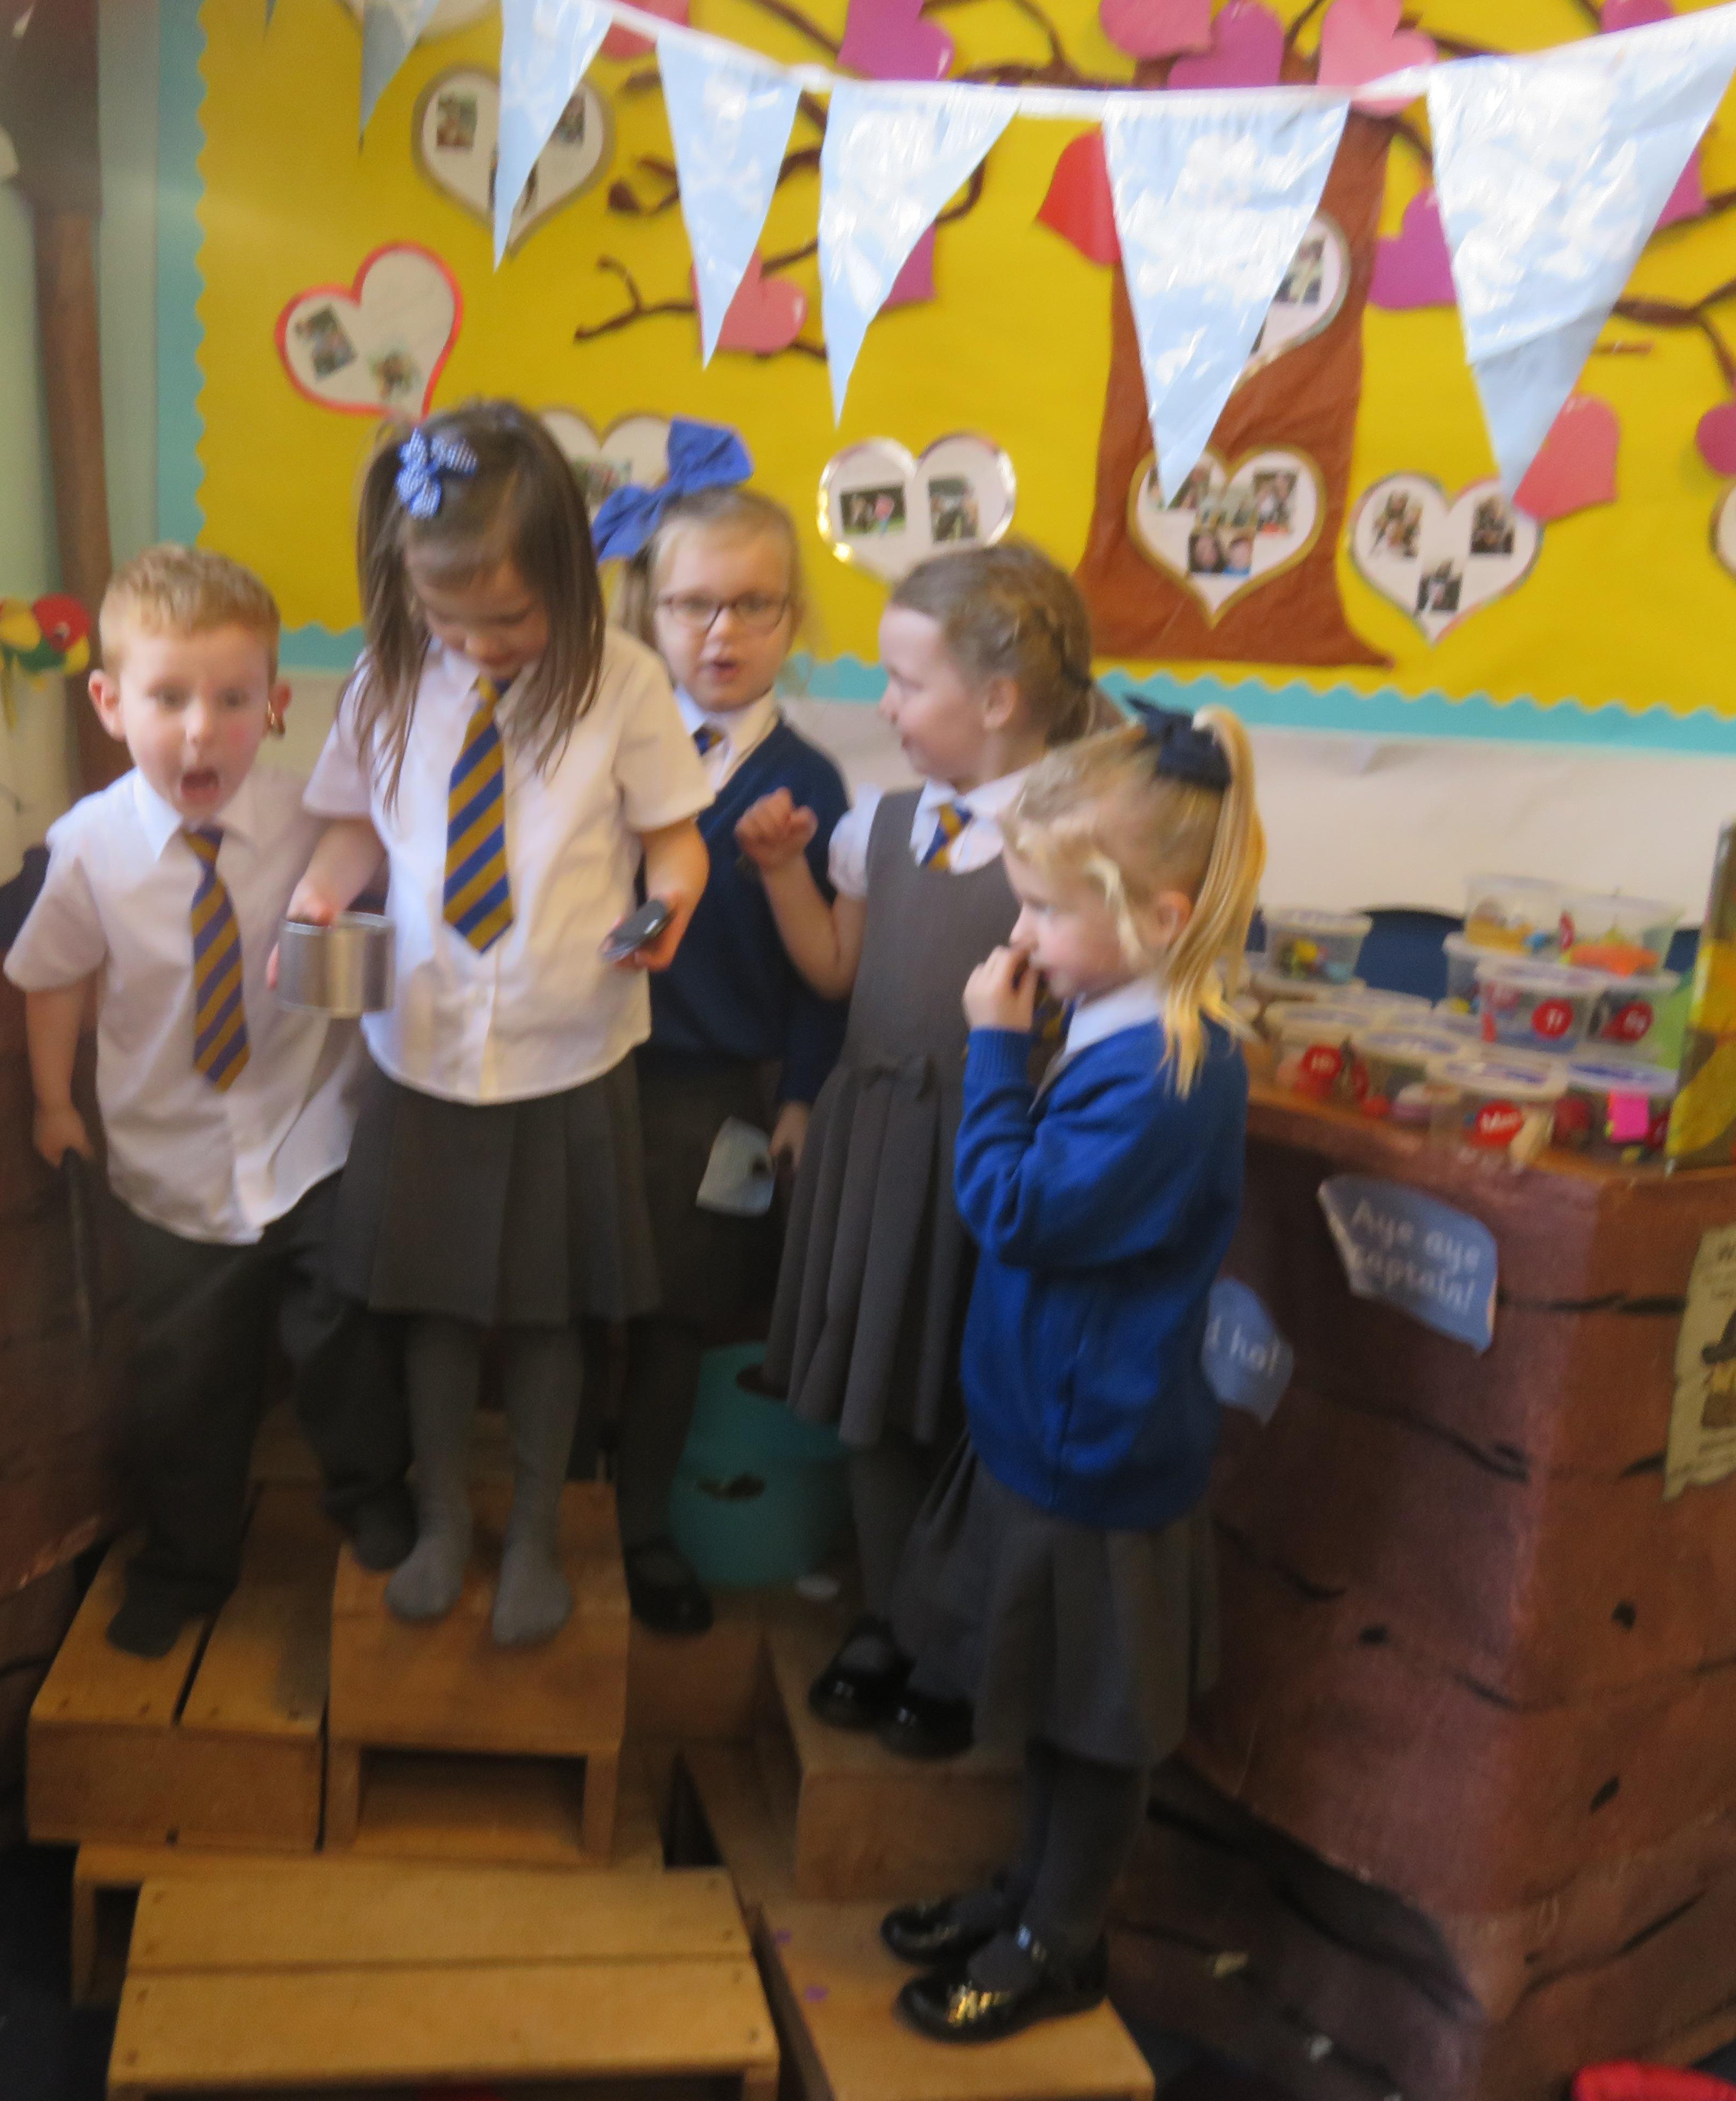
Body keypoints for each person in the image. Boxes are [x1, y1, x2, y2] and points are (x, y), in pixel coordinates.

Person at [289, 402, 713, 1648]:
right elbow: (354, 827)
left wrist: (669, 904)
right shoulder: (385, 680)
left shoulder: (625, 683)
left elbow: (674, 840)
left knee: (545, 1313)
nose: (478, 645)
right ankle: (441, 1522)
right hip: (421, 1045)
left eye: (511, 620)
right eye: (448, 618)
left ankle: (534, 1533)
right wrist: (320, 896)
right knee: (428, 1308)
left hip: (563, 1047)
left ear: (572, 579)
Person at [879, 704, 1261, 2043]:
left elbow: (1016, 1209)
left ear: (1160, 917)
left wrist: (994, 1047)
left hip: (1101, 1452)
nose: (1022, 935)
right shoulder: (1115, 1018)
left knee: (1098, 1725)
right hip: (1050, 1427)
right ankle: (1033, 1892)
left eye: (1045, 910)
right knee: (1054, 1700)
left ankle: (1062, 1941)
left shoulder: (1169, 1074)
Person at [733, 542, 1108, 1756]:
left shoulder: (1078, 840)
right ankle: (891, 1613)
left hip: (997, 1156)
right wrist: (783, 873)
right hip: (879, 1146)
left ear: (996, 701)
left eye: (906, 683)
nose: (885, 706)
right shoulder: (881, 825)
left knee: (972, 1405)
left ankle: (962, 1643)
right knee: (875, 1394)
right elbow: (837, 970)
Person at [6, 545, 413, 1659]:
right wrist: (52, 1101)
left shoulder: (303, 818)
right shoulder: (91, 848)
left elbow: (378, 845)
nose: (202, 732)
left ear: (275, 707)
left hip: (310, 1132)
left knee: (344, 1329)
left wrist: (345, 884)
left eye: (235, 701)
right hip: (171, 1162)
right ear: (109, 703)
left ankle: (373, 1496)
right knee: (187, 1379)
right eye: (170, 699)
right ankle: (187, 1562)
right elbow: (54, 978)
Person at [600, 457, 850, 1636]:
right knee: (565, 1307)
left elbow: (826, 968)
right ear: (647, 610)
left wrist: (800, 1093)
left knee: (676, 1318)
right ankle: (558, 1512)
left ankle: (640, 1527)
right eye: (694, 604)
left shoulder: (809, 781)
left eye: (754, 606)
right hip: (587, 1076)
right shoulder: (601, 752)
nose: (722, 632)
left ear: (792, 621)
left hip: (716, 1098)